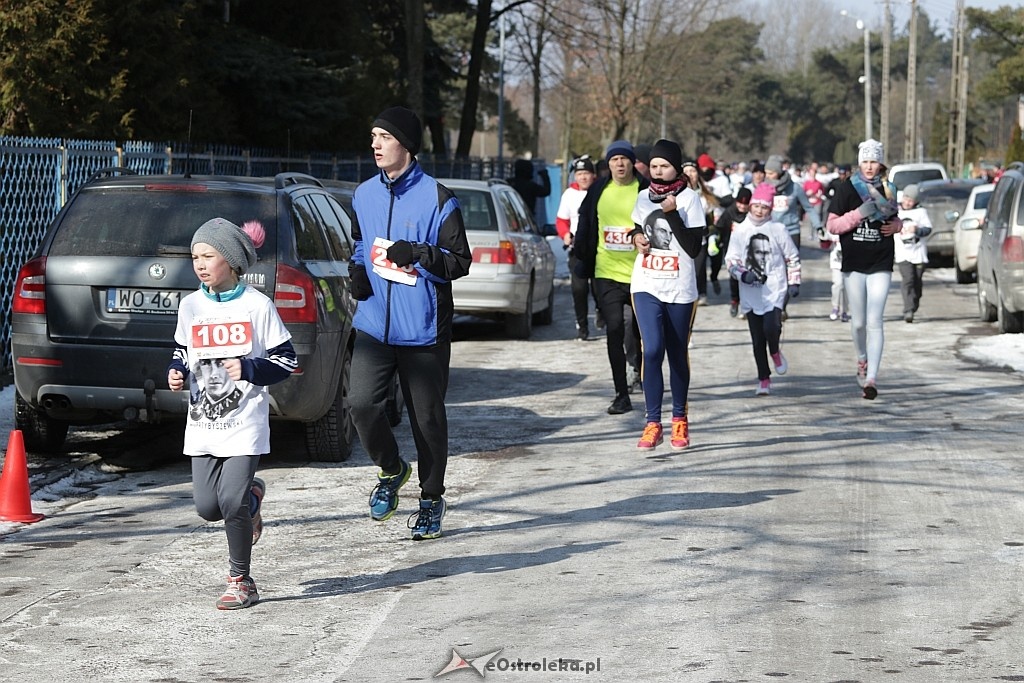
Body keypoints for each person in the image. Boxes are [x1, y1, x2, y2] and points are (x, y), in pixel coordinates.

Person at [348, 106, 472, 539]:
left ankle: (431, 499)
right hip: (373, 325)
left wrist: (419, 253)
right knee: (361, 405)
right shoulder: (364, 194)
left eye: (384, 136)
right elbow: (360, 241)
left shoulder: (439, 198)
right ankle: (391, 469)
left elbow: (460, 262)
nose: (376, 144)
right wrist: (358, 271)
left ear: (407, 144)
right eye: (373, 135)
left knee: (427, 420)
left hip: (422, 329)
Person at [167, 217, 297, 610]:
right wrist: (175, 372)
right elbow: (182, 351)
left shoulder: (258, 306)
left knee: (230, 503)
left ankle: (241, 580)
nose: (200, 264)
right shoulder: (190, 306)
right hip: (204, 422)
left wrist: (252, 368)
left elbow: (286, 362)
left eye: (209, 256)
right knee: (208, 507)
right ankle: (253, 500)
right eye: (195, 257)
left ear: (234, 260)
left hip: (244, 424)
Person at [627, 139, 705, 450]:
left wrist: (672, 214)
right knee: (652, 349)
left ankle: (679, 420)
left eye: (664, 166)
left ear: (676, 168)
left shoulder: (690, 199)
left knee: (676, 354)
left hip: (680, 288)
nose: (658, 171)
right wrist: (636, 239)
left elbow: (693, 247)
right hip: (646, 284)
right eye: (654, 166)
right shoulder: (643, 197)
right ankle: (652, 423)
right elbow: (636, 227)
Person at [573, 139, 649, 414]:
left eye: (624, 159)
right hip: (606, 273)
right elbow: (585, 225)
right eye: (614, 159)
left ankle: (642, 376)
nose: (619, 164)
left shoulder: (645, 190)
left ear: (632, 162)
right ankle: (621, 394)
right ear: (608, 164)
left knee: (641, 333)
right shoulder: (598, 190)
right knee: (615, 330)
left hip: (642, 273)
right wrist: (581, 259)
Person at [826, 139, 902, 400]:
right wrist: (858, 214)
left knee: (875, 321)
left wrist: (898, 226)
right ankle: (862, 359)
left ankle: (872, 379)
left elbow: (895, 217)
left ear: (881, 163)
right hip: (854, 263)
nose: (870, 167)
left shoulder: (889, 188)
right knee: (858, 322)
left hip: (881, 260)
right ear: (860, 162)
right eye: (866, 162)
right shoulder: (847, 188)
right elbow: (832, 226)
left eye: (874, 162)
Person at [725, 184, 801, 396]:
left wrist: (794, 282)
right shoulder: (740, 230)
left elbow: (792, 257)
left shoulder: (778, 230)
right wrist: (743, 274)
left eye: (764, 207)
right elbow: (731, 260)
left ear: (771, 209)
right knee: (757, 339)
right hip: (750, 291)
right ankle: (764, 378)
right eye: (756, 206)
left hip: (774, 288)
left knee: (771, 327)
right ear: (750, 206)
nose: (759, 211)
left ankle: (775, 350)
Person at [556, 155, 599, 340]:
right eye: (579, 174)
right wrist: (565, 234)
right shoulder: (569, 195)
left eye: (586, 173)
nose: (583, 177)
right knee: (579, 289)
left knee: (599, 289)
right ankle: (582, 326)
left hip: (600, 249)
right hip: (577, 248)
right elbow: (561, 221)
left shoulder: (600, 191)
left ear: (593, 175)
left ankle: (601, 311)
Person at [765, 154, 822, 250]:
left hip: (791, 231)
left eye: (771, 173)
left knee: (792, 263)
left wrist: (818, 226)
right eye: (766, 173)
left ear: (778, 172)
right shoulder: (765, 187)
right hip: (771, 230)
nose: (767, 176)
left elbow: (808, 208)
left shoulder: (795, 188)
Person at [894, 183, 932, 323]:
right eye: (906, 199)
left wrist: (917, 231)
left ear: (915, 201)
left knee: (917, 282)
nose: (907, 202)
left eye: (911, 200)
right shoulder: (895, 211)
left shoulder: (921, 212)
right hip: (903, 253)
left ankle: (914, 303)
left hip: (918, 253)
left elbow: (928, 229)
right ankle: (908, 310)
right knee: (908, 280)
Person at [682, 160, 719, 305]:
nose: (689, 175)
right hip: (681, 238)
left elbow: (711, 219)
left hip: (700, 239)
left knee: (698, 268)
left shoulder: (704, 195)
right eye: (686, 171)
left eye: (692, 171)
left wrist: (712, 236)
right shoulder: (675, 193)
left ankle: (701, 292)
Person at [714, 186, 752, 317]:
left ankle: (747, 305)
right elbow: (718, 227)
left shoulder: (752, 215)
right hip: (732, 249)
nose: (742, 206)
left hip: (749, 251)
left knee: (748, 277)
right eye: (740, 203)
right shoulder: (729, 212)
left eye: (745, 204)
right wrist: (715, 240)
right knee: (735, 276)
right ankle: (735, 300)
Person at [510, 158, 552, 224]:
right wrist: (545, 176)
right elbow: (546, 191)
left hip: (510, 217)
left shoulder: (509, 183)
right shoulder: (530, 186)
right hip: (526, 219)